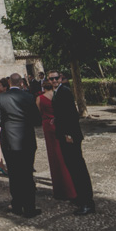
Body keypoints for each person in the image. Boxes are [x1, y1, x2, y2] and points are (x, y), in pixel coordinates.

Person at [0, 73, 41, 217]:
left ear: (9, 82)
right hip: (27, 139)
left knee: (14, 175)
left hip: (9, 141)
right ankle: (30, 208)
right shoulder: (28, 97)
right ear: (21, 82)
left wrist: (8, 126)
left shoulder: (0, 98)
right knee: (27, 174)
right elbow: (37, 120)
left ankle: (17, 206)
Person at [50, 70, 95, 216]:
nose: (54, 80)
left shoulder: (65, 92)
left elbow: (71, 114)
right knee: (72, 168)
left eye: (56, 78)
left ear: (61, 78)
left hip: (70, 136)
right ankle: (80, 198)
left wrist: (69, 134)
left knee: (78, 169)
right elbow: (62, 113)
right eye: (51, 79)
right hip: (64, 135)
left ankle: (87, 202)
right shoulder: (58, 92)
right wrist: (56, 120)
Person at [36, 77, 77, 201]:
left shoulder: (40, 98)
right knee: (64, 155)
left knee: (54, 157)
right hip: (59, 125)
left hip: (48, 126)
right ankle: (71, 188)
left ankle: (60, 189)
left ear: (43, 87)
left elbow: (39, 113)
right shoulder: (56, 95)